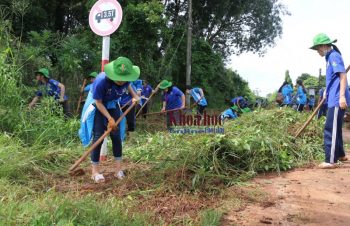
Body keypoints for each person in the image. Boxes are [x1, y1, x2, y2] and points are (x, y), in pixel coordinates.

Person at [90, 56, 140, 182]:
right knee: (98, 137)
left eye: (124, 79)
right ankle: (95, 172)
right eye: (119, 79)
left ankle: (118, 170)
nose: (122, 82)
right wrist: (109, 118)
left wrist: (134, 97)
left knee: (116, 136)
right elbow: (98, 102)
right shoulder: (101, 81)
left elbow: (129, 88)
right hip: (98, 106)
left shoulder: (126, 80)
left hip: (113, 105)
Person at [310, 33, 349, 168]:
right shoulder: (329, 58)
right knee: (336, 128)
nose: (317, 52)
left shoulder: (333, 56)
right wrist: (327, 90)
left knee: (329, 128)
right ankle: (341, 155)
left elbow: (342, 75)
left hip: (337, 98)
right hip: (333, 96)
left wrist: (342, 96)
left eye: (318, 49)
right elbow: (333, 78)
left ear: (324, 46)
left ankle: (330, 160)